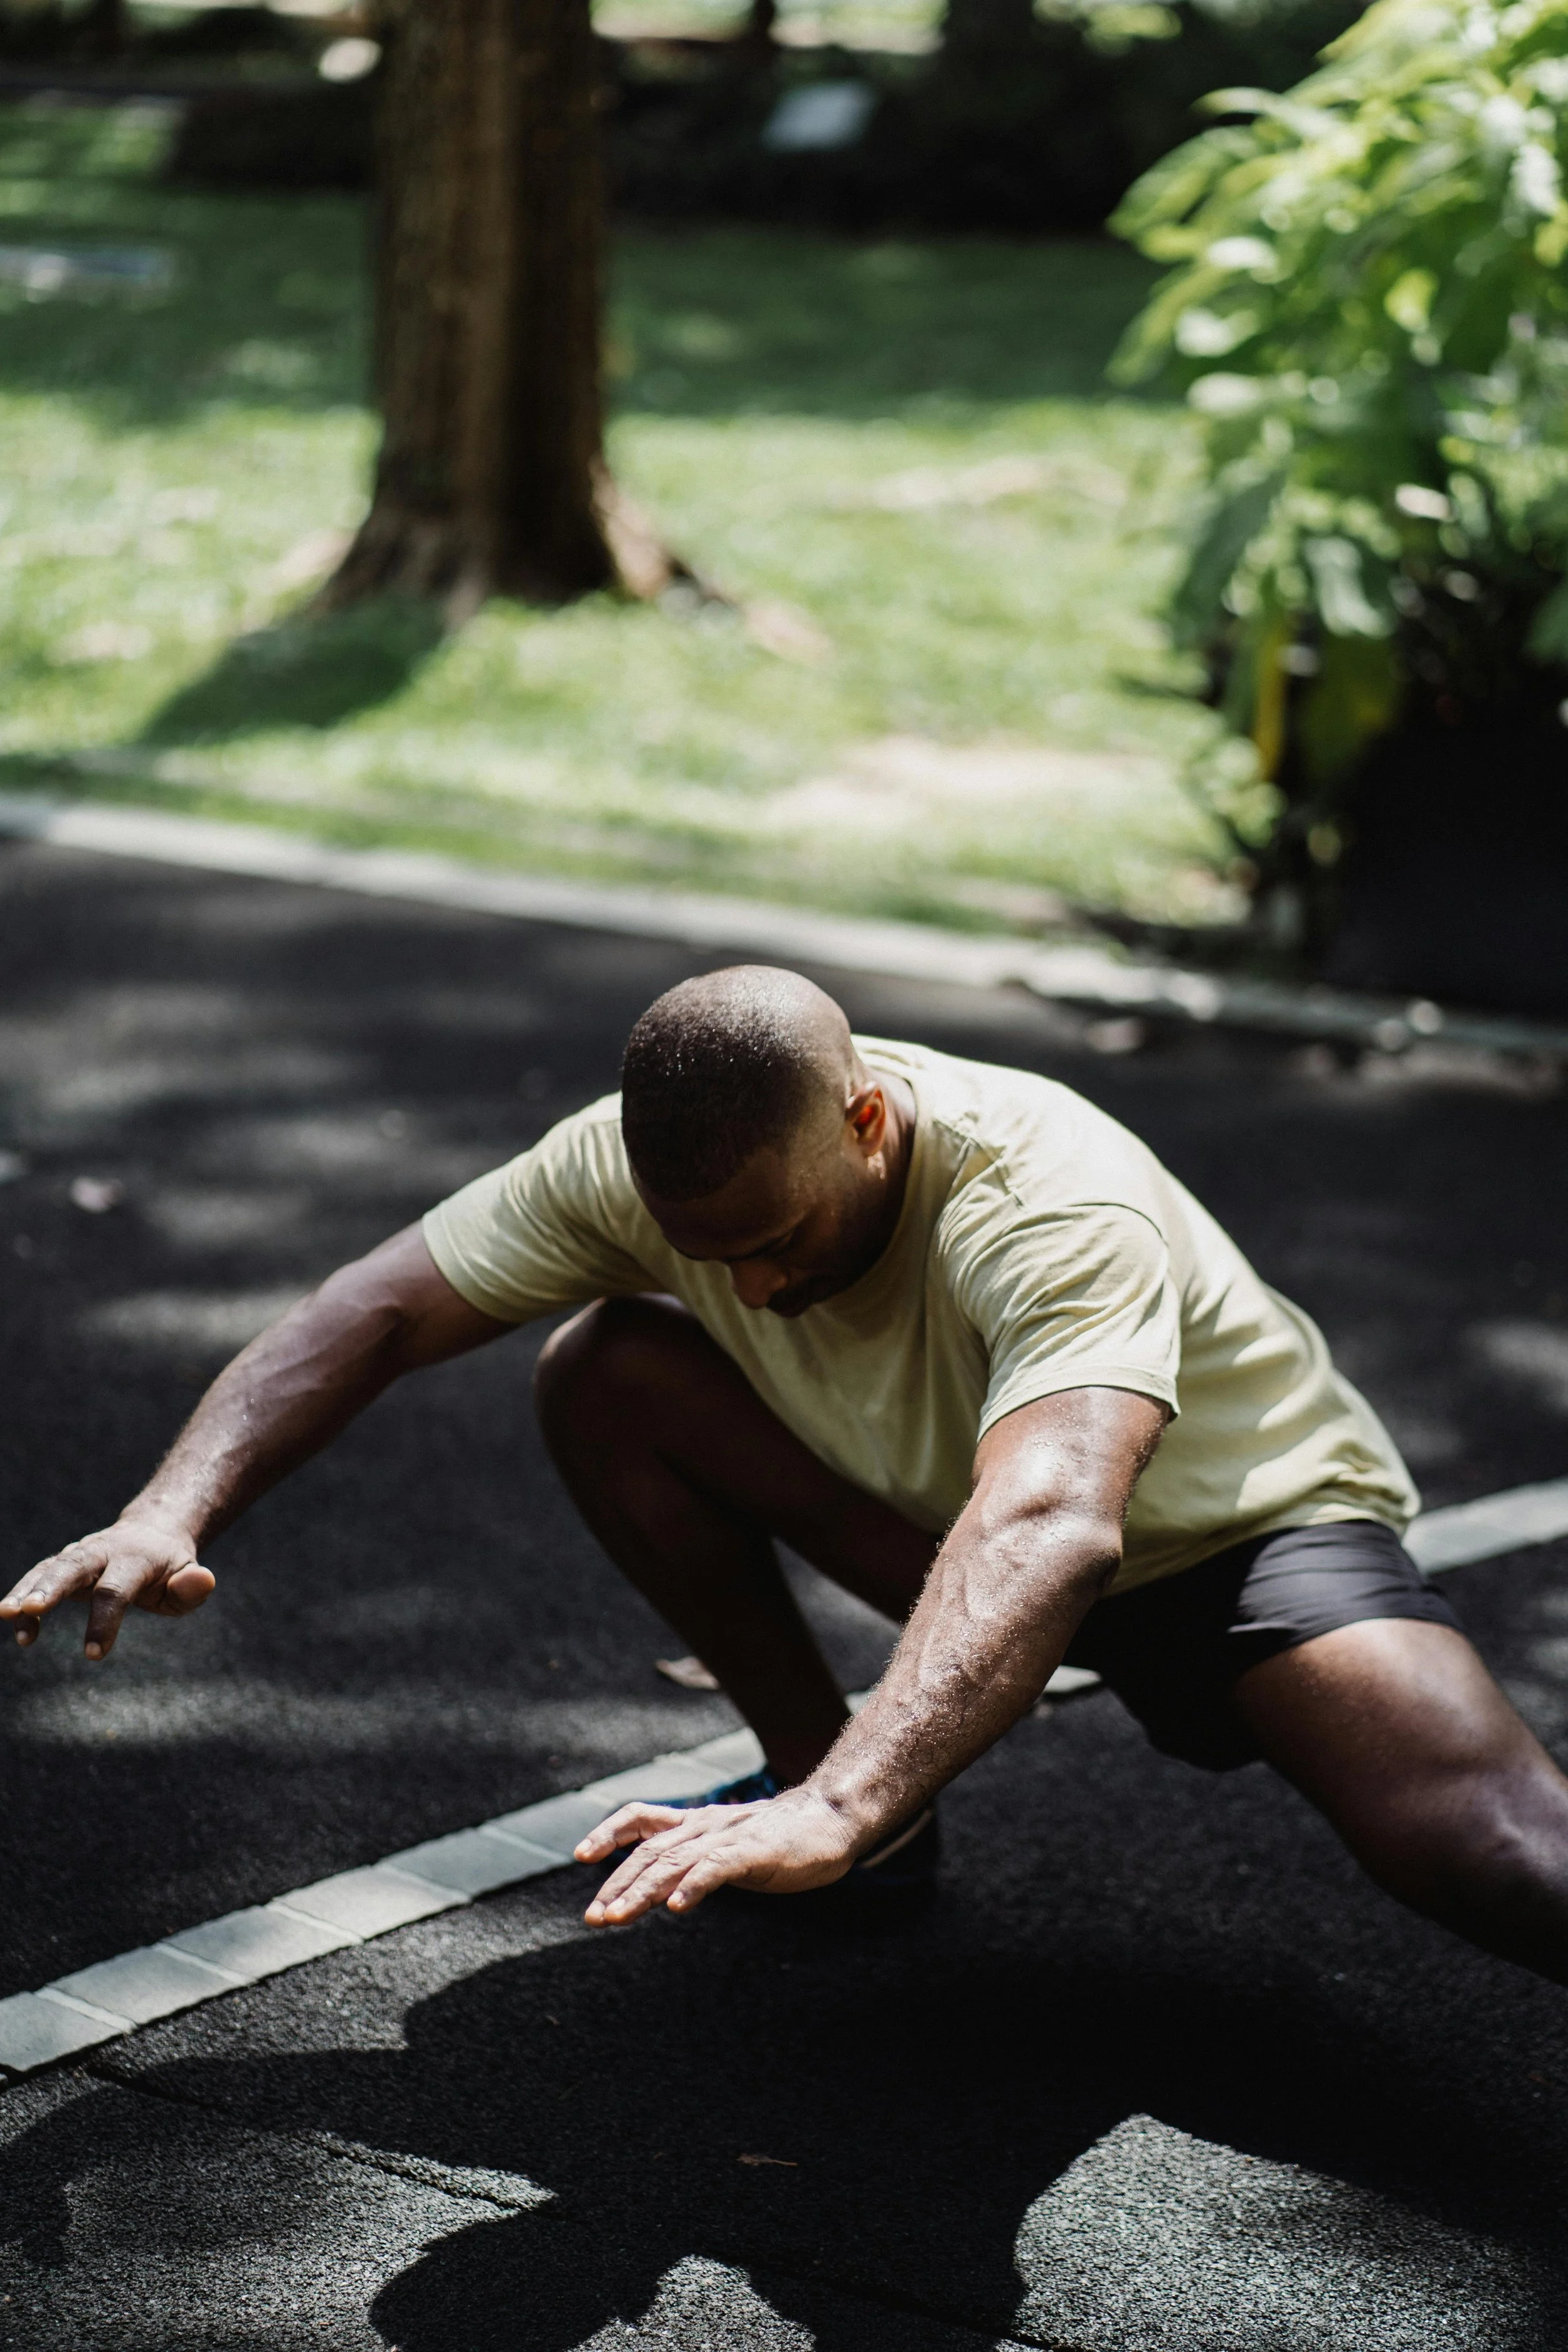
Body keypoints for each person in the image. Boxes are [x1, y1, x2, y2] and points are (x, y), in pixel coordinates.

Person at [7, 966, 1568, 1980]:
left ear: (868, 1121)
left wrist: (842, 1799)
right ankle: (855, 1819)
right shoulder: (636, 1172)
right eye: (710, 1255)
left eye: (775, 1243)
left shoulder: (1043, 1195)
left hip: (1229, 1546)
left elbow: (1053, 1523)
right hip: (943, 1522)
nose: (749, 1291)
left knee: (1479, 1847)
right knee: (614, 1369)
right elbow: (374, 1310)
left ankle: (842, 1808)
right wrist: (172, 1507)